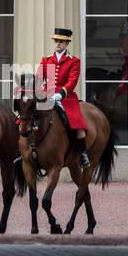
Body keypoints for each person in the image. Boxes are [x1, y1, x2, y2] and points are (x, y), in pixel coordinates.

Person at [39, 27, 90, 168]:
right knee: (25, 119)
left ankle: (82, 154)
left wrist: (60, 94)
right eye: (56, 41)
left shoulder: (74, 61)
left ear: (67, 43)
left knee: (77, 124)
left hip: (66, 98)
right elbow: (38, 78)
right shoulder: (46, 60)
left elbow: (72, 81)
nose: (58, 44)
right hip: (47, 95)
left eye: (61, 42)